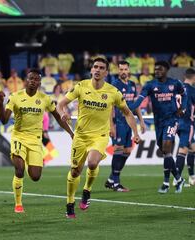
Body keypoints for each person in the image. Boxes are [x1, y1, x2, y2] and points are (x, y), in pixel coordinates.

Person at [57, 58, 141, 218]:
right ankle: (69, 202)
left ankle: (87, 190)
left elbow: (128, 113)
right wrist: (63, 114)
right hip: (80, 136)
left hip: (100, 136)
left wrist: (136, 133)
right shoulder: (81, 86)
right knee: (75, 172)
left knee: (93, 162)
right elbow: (60, 105)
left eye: (101, 68)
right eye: (95, 67)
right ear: (91, 70)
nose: (97, 69)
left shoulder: (112, 92)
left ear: (106, 72)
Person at [0, 68, 74, 213]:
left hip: (35, 140)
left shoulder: (45, 99)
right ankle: (18, 204)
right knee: (19, 170)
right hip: (19, 137)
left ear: (40, 82)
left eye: (36, 79)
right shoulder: (15, 97)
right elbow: (3, 120)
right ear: (26, 80)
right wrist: (0, 101)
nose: (33, 81)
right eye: (30, 78)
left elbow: (58, 117)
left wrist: (71, 132)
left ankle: (27, 160)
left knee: (35, 176)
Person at [129, 61, 188, 194]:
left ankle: (166, 183)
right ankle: (178, 179)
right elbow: (140, 99)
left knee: (167, 148)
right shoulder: (150, 85)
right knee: (164, 152)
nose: (156, 71)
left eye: (160, 69)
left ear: (166, 70)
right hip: (159, 122)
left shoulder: (175, 83)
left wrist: (182, 108)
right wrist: (129, 108)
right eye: (155, 69)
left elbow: (184, 94)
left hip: (172, 119)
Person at [105, 61, 146, 192]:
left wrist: (141, 121)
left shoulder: (133, 85)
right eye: (121, 69)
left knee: (127, 151)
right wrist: (111, 125)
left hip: (129, 123)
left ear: (129, 70)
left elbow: (136, 105)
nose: (123, 71)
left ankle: (112, 179)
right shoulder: (114, 86)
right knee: (118, 149)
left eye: (125, 69)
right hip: (118, 123)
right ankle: (116, 183)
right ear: (118, 71)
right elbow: (109, 107)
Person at [174, 68, 195, 186]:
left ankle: (192, 177)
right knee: (183, 149)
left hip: (177, 122)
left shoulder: (178, 89)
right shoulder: (192, 90)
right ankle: (177, 179)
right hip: (187, 123)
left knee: (193, 148)